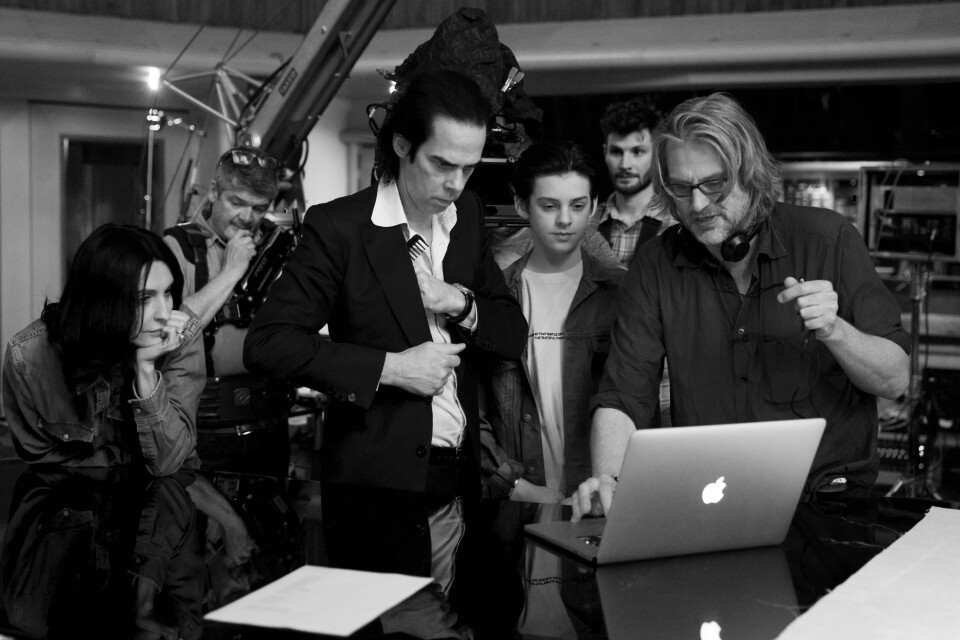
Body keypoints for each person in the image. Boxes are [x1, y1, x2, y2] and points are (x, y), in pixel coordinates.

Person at [243, 70, 527, 591]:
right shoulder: (340, 228)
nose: (456, 185)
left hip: (461, 481)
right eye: (441, 164)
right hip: (377, 484)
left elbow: (511, 333)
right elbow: (268, 344)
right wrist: (391, 369)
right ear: (401, 144)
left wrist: (457, 301)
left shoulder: (465, 215)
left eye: (469, 168)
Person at [572, 92, 910, 522]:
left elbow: (895, 378)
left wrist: (835, 331)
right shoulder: (656, 264)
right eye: (681, 188)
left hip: (829, 505)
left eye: (714, 185)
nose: (697, 206)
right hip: (712, 501)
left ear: (749, 172)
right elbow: (623, 394)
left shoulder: (829, 240)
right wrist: (608, 479)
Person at [480, 140, 624, 506]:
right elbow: (472, 410)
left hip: (607, 500)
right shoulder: (495, 299)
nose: (565, 220)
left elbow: (643, 401)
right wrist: (520, 489)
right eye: (549, 206)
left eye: (577, 206)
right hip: (518, 508)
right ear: (521, 206)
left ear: (594, 207)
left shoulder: (622, 295)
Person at [2, 224, 204, 475]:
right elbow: (41, 461)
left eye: (168, 292)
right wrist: (125, 460)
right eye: (144, 298)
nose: (164, 314)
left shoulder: (181, 333)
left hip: (168, 500)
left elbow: (170, 462)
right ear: (102, 301)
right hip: (73, 501)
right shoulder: (30, 355)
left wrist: (146, 371)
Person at [163, 147, 293, 478]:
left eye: (259, 207)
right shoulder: (177, 247)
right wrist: (233, 271)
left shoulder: (278, 248)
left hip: (271, 426)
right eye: (236, 202)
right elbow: (170, 335)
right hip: (205, 431)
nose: (247, 218)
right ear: (214, 192)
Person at [597, 96, 675, 267]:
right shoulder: (584, 223)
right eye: (616, 152)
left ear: (656, 154)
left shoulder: (679, 224)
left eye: (637, 152)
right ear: (605, 153)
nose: (625, 165)